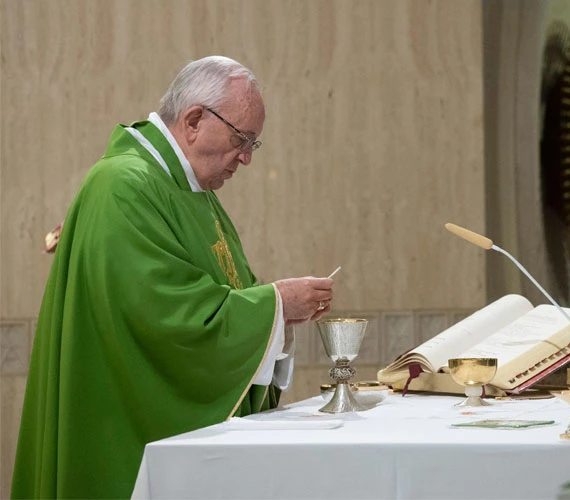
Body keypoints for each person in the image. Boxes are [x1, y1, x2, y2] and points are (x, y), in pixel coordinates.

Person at [12, 56, 333, 499]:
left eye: (253, 145)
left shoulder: (189, 192)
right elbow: (167, 318)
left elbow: (223, 294)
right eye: (242, 139)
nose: (245, 158)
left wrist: (278, 316)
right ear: (195, 120)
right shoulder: (123, 185)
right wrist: (276, 306)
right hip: (117, 429)